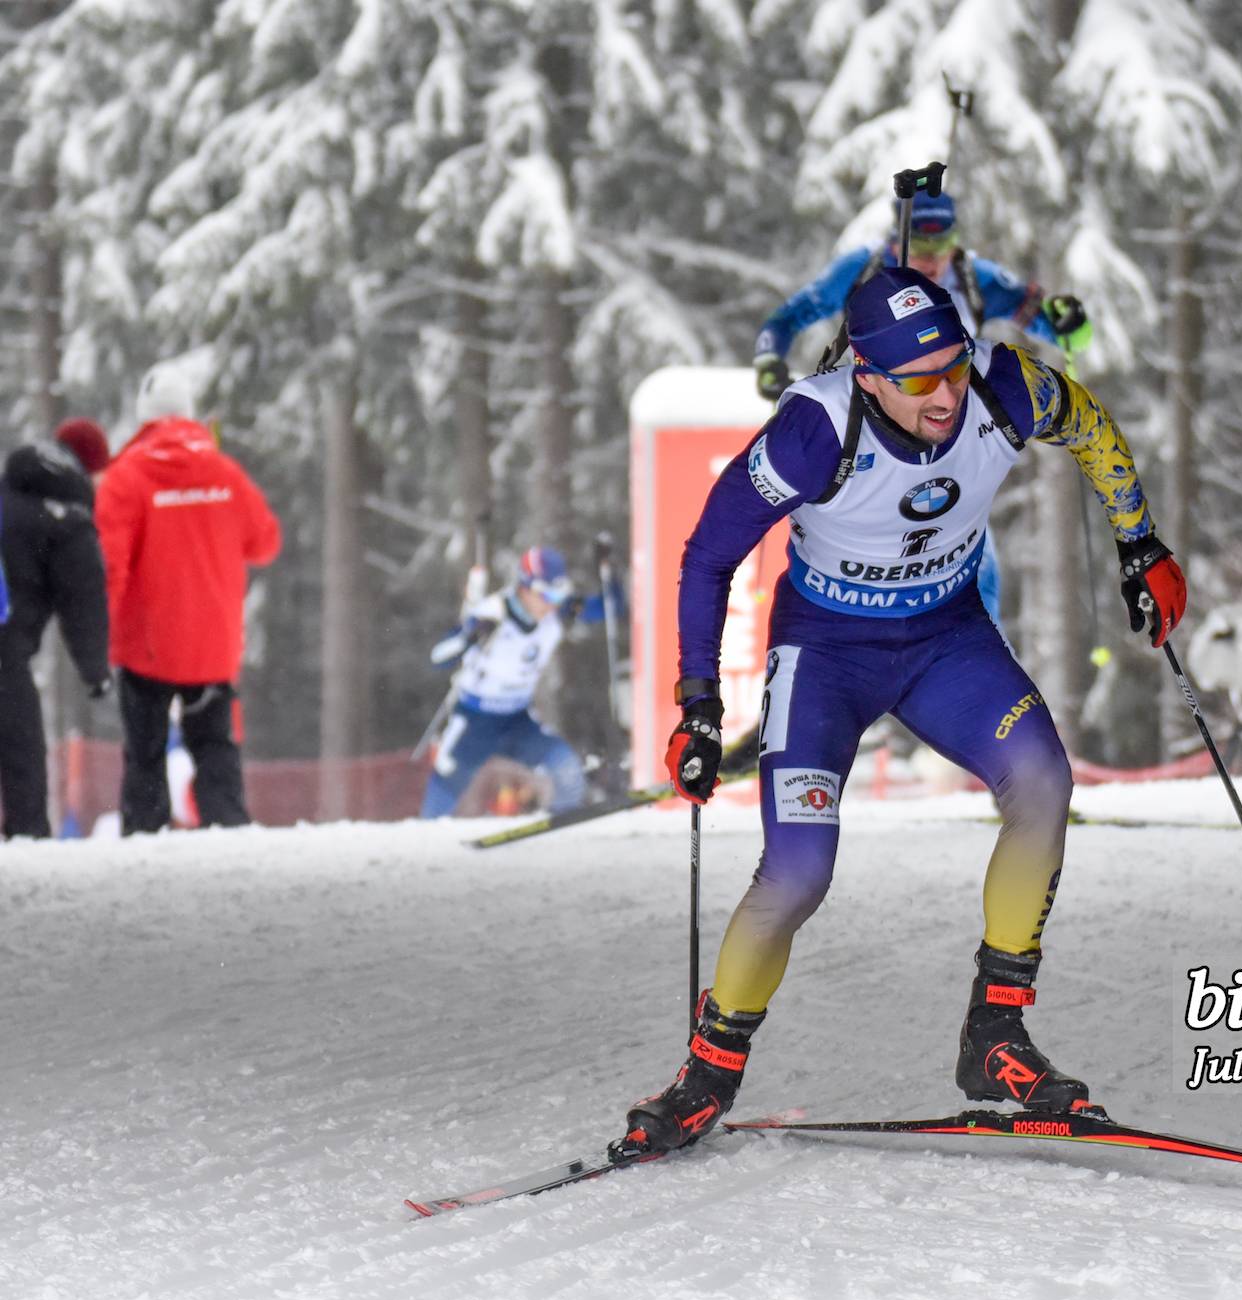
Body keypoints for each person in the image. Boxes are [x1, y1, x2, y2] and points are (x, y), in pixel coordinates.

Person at [609, 266, 1187, 1157]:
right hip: (827, 655)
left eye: (952, 366)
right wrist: (696, 703)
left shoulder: (1001, 387)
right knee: (799, 872)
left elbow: (1092, 427)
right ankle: (706, 1074)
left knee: (1043, 779)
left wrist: (1139, 541)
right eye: (917, 379)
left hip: (945, 642)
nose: (946, 393)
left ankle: (995, 1038)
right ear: (868, 375)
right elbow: (707, 555)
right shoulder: (814, 431)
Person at [97, 363, 281, 834]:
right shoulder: (224, 472)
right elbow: (265, 542)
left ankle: (144, 837)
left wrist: (98, 633)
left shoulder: (126, 477)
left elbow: (108, 564)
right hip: (212, 644)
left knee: (145, 752)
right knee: (216, 747)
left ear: (145, 416)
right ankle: (229, 833)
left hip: (146, 645)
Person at [752, 191, 1092, 400]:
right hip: (872, 407)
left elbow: (1069, 338)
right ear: (896, 240)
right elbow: (789, 317)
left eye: (941, 244)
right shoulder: (860, 270)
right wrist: (770, 360)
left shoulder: (975, 278)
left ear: (955, 241)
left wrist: (1069, 321)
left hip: (949, 411)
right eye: (919, 244)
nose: (930, 258)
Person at [0, 420, 112, 838]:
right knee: (21, 750)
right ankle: (27, 841)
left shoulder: (8, 489)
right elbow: (84, 602)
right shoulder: (68, 519)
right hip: (4, 645)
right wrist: (96, 673)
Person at [421, 546, 587, 819]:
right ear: (525, 587)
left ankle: (559, 836)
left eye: (558, 594)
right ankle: (423, 846)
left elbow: (604, 606)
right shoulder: (493, 614)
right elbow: (438, 658)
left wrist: (610, 584)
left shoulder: (556, 615)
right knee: (445, 787)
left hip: (517, 720)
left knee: (566, 768)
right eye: (546, 594)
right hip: (476, 720)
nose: (552, 604)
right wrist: (469, 636)